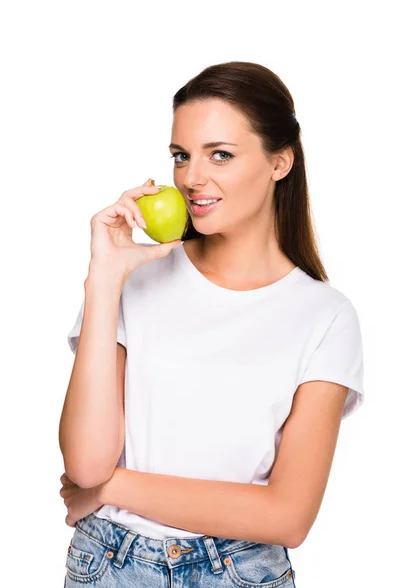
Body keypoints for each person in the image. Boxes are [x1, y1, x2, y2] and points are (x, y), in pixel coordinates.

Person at [59, 61, 364, 588]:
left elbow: (287, 517)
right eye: (181, 155)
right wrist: (103, 279)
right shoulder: (132, 281)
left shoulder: (325, 317)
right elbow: (85, 464)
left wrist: (112, 490)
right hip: (109, 567)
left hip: (241, 572)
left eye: (220, 154)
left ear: (280, 162)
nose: (191, 178)